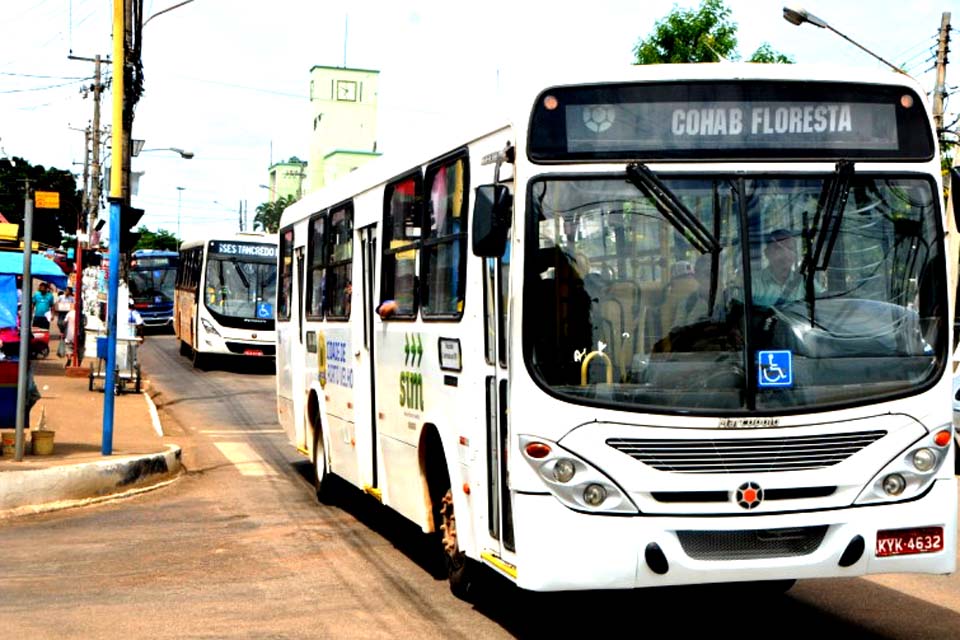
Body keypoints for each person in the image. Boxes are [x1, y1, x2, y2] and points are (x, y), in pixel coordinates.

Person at [752, 228, 821, 307]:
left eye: (790, 248)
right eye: (778, 248)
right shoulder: (754, 283)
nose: (785, 253)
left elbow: (825, 303)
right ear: (767, 253)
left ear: (795, 255)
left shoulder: (805, 282)